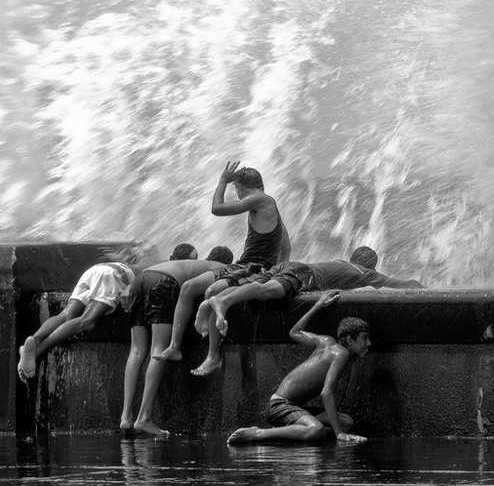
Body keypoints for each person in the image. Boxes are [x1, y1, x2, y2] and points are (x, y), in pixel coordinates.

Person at [189, 246, 421, 376]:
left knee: (255, 287)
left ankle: (214, 315)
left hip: (290, 266)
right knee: (266, 290)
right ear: (372, 265)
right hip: (302, 274)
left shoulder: (339, 261)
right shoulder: (365, 272)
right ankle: (223, 302)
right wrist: (421, 284)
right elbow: (401, 284)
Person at [156, 161, 291, 362]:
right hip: (242, 264)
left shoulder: (259, 199)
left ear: (240, 187)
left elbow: (217, 208)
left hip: (253, 267)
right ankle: (174, 347)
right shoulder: (268, 203)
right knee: (189, 287)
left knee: (212, 291)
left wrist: (222, 181)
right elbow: (286, 245)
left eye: (235, 188)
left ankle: (213, 356)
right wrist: (279, 269)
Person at [15, 242, 197, 381]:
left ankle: (35, 340)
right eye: (192, 260)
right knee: (86, 321)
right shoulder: (172, 267)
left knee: (66, 314)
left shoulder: (159, 260)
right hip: (114, 276)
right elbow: (148, 278)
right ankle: (37, 352)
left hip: (98, 269)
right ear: (177, 259)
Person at [226, 290, 369, 444]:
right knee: (317, 430)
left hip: (295, 407)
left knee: (347, 422)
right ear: (349, 339)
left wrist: (318, 304)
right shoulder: (341, 354)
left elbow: (295, 332)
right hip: (279, 406)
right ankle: (258, 433)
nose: (369, 344)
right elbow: (326, 393)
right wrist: (339, 433)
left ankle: (291, 432)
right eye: (364, 339)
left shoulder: (326, 342)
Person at [119, 247, 234, 436]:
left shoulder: (187, 263)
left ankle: (126, 417)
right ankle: (144, 418)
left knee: (137, 351)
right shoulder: (221, 268)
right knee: (158, 348)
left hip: (142, 280)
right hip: (162, 284)